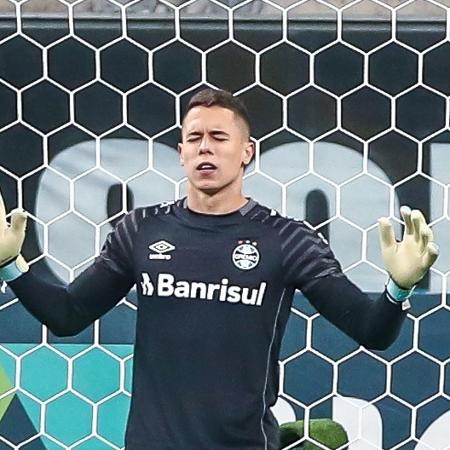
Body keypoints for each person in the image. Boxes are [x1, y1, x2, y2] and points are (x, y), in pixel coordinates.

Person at [0, 88, 439, 450]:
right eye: (194, 138)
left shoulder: (286, 238)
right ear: (181, 152)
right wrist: (10, 266)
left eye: (218, 137)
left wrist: (398, 288)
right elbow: (68, 314)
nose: (205, 147)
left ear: (247, 151)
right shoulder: (140, 230)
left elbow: (372, 331)